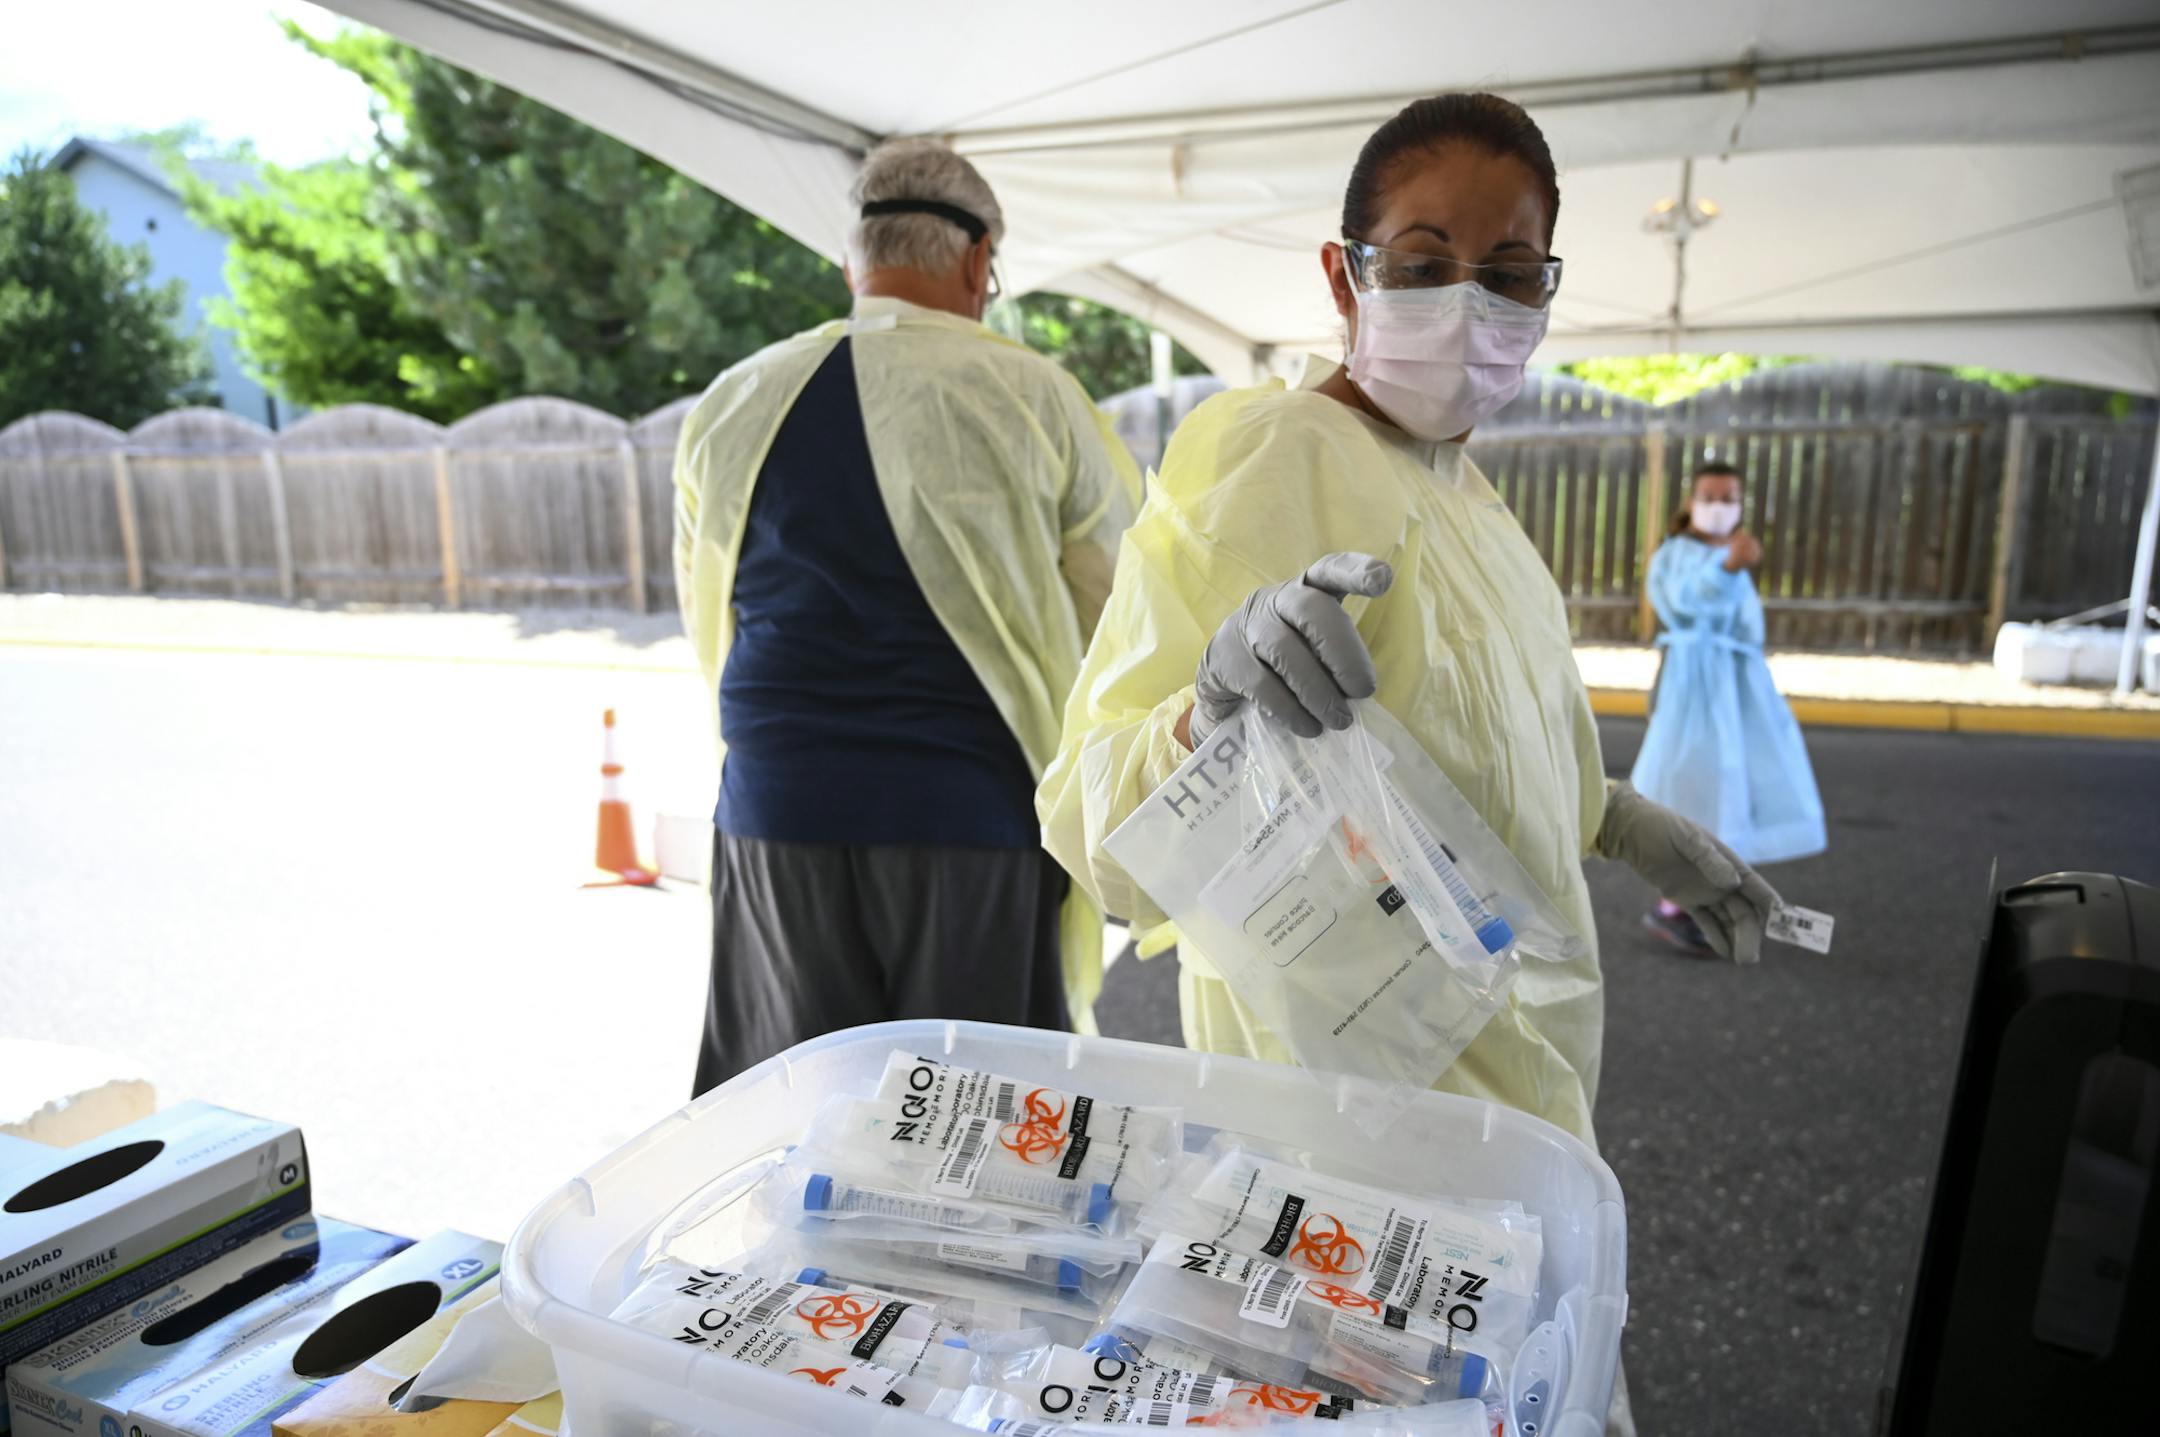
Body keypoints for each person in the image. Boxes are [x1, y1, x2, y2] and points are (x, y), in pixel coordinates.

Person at [1038, 94, 1779, 1434]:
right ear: (1347, 276)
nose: (1470, 304)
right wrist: (1205, 714)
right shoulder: (1269, 457)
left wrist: (1621, 820)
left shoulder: (1466, 493)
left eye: (1510, 273)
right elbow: (1092, 822)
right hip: (1343, 1157)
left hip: (1521, 1113)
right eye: (1426, 263)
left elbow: (1483, 752)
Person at [676, 138, 1139, 1096]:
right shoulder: (1035, 395)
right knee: (970, 1130)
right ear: (979, 263)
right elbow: (1118, 612)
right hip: (972, 816)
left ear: (853, 262)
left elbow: (703, 602)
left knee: (798, 1119)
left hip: (775, 808)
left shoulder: (734, 399)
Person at [1633, 462, 1827, 954]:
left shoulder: (1728, 553)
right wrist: (1727, 569)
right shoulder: (1677, 554)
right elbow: (1683, 602)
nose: (1718, 507)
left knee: (1730, 790)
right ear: (1691, 502)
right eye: (1709, 496)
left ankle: (1707, 901)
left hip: (1736, 690)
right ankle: (1676, 905)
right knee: (1692, 791)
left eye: (1729, 497)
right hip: (1695, 692)